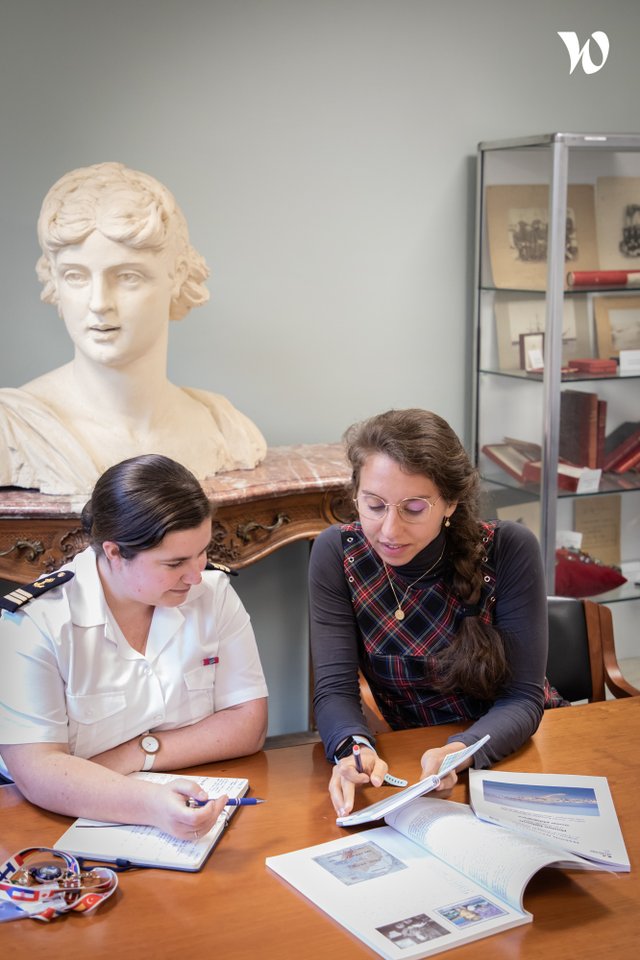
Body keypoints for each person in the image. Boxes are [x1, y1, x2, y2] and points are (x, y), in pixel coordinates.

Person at [310, 408, 565, 818]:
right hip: (420, 764)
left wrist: (458, 751)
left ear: (450, 502)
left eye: (413, 509)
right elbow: (335, 689)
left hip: (511, 749)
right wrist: (352, 746)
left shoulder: (508, 549)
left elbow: (523, 699)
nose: (389, 530)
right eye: (374, 505)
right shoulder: (338, 554)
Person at [0, 454, 268, 840]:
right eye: (175, 562)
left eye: (203, 552)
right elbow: (37, 771)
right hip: (51, 824)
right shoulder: (35, 623)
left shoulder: (213, 594)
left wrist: (138, 751)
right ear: (114, 552)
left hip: (189, 799)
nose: (196, 576)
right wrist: (150, 804)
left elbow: (248, 725)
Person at [0, 161, 266, 495]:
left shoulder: (224, 427)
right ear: (52, 277)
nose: (98, 302)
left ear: (178, 274)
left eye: (127, 277)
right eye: (75, 276)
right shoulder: (12, 431)